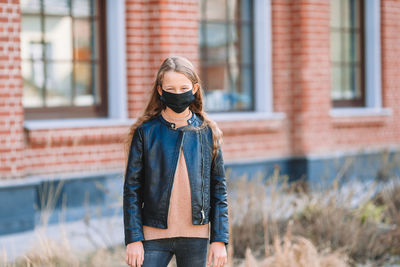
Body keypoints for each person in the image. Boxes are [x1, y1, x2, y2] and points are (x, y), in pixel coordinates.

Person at [123, 56, 229, 267]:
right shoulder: (145, 132)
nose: (178, 94)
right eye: (171, 88)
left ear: (195, 88)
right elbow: (132, 189)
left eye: (184, 88)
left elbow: (219, 190)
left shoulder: (207, 132)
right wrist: (133, 238)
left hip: (195, 237)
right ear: (160, 90)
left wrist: (219, 240)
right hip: (152, 236)